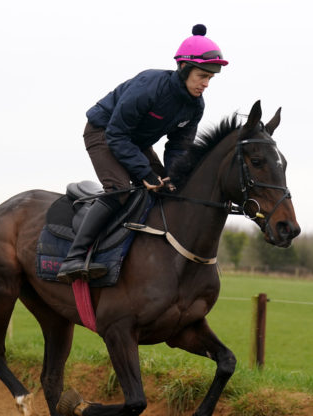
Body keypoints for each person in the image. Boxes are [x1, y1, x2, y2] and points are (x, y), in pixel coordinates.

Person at [57, 24, 229, 283]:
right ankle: (74, 257)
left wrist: (173, 176)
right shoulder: (150, 85)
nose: (205, 84)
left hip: (134, 142)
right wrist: (144, 172)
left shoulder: (195, 106)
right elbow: (116, 134)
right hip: (103, 132)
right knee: (120, 190)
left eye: (210, 79)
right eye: (202, 76)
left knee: (167, 189)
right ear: (184, 67)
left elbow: (179, 147)